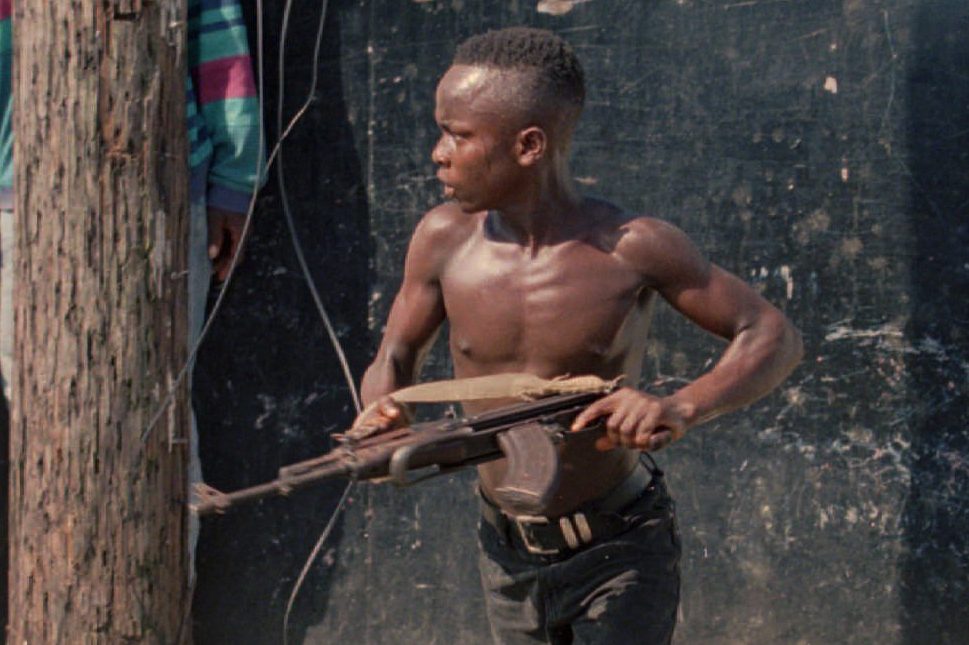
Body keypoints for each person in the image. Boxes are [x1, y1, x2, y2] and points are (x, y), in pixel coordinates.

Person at [356, 27, 803, 644]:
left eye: (458, 135)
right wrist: (382, 412)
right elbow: (395, 354)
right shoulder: (442, 240)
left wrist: (679, 407)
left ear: (529, 145)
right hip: (506, 555)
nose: (439, 153)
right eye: (442, 132)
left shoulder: (633, 246)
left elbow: (772, 334)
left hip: (620, 550)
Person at [0, 0, 265, 577]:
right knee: (36, 417)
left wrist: (235, 178)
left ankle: (162, 592)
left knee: (153, 411)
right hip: (13, 195)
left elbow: (216, 32)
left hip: (154, 183)